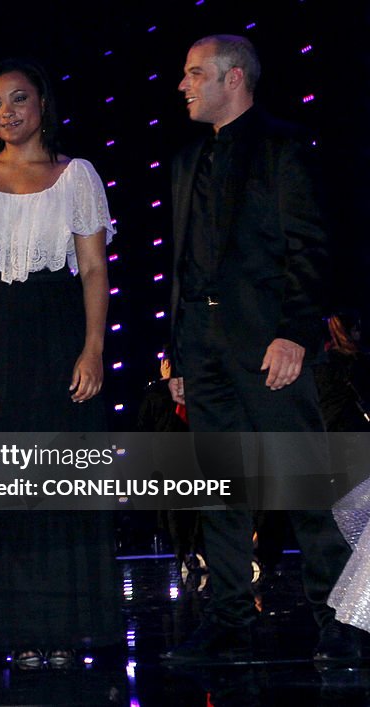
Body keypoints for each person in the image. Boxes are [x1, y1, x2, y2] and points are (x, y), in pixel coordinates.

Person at [162, 34, 358, 664]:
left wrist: (295, 332)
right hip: (204, 345)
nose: (184, 85)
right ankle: (227, 621)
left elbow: (310, 246)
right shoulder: (188, 159)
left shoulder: (284, 147)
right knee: (219, 488)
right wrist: (179, 358)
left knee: (301, 482)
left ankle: (343, 621)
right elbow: (182, 266)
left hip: (268, 341)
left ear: (234, 78)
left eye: (196, 74)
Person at [0, 58, 120, 663]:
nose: (5, 112)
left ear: (42, 105)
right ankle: (8, 632)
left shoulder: (77, 175)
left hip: (53, 332)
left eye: (17, 99)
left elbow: (93, 268)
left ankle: (61, 631)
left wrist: (93, 349)